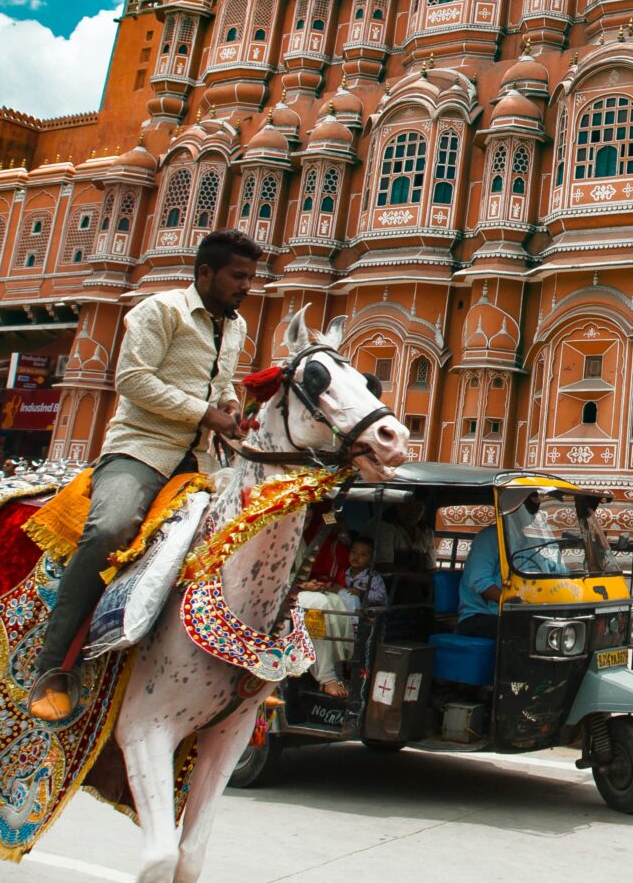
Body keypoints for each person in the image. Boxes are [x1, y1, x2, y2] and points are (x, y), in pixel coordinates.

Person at [26, 229, 259, 721]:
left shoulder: (235, 326)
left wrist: (231, 405)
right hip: (141, 450)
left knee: (246, 538)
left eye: (251, 277)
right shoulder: (161, 310)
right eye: (238, 276)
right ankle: (52, 668)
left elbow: (220, 385)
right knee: (110, 528)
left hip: (200, 461)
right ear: (205, 273)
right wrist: (203, 413)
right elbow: (131, 379)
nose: (246, 286)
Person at [454, 492, 566, 639]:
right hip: (479, 616)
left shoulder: (524, 540)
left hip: (514, 613)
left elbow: (545, 566)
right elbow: (479, 582)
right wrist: (511, 602)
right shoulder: (490, 537)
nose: (531, 514)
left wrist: (567, 577)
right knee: (530, 631)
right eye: (527, 509)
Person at [298, 539, 386, 697]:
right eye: (354, 552)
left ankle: (337, 671)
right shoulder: (345, 571)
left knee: (336, 601)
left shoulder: (371, 577)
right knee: (318, 605)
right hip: (290, 590)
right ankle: (326, 677)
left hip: (308, 587)